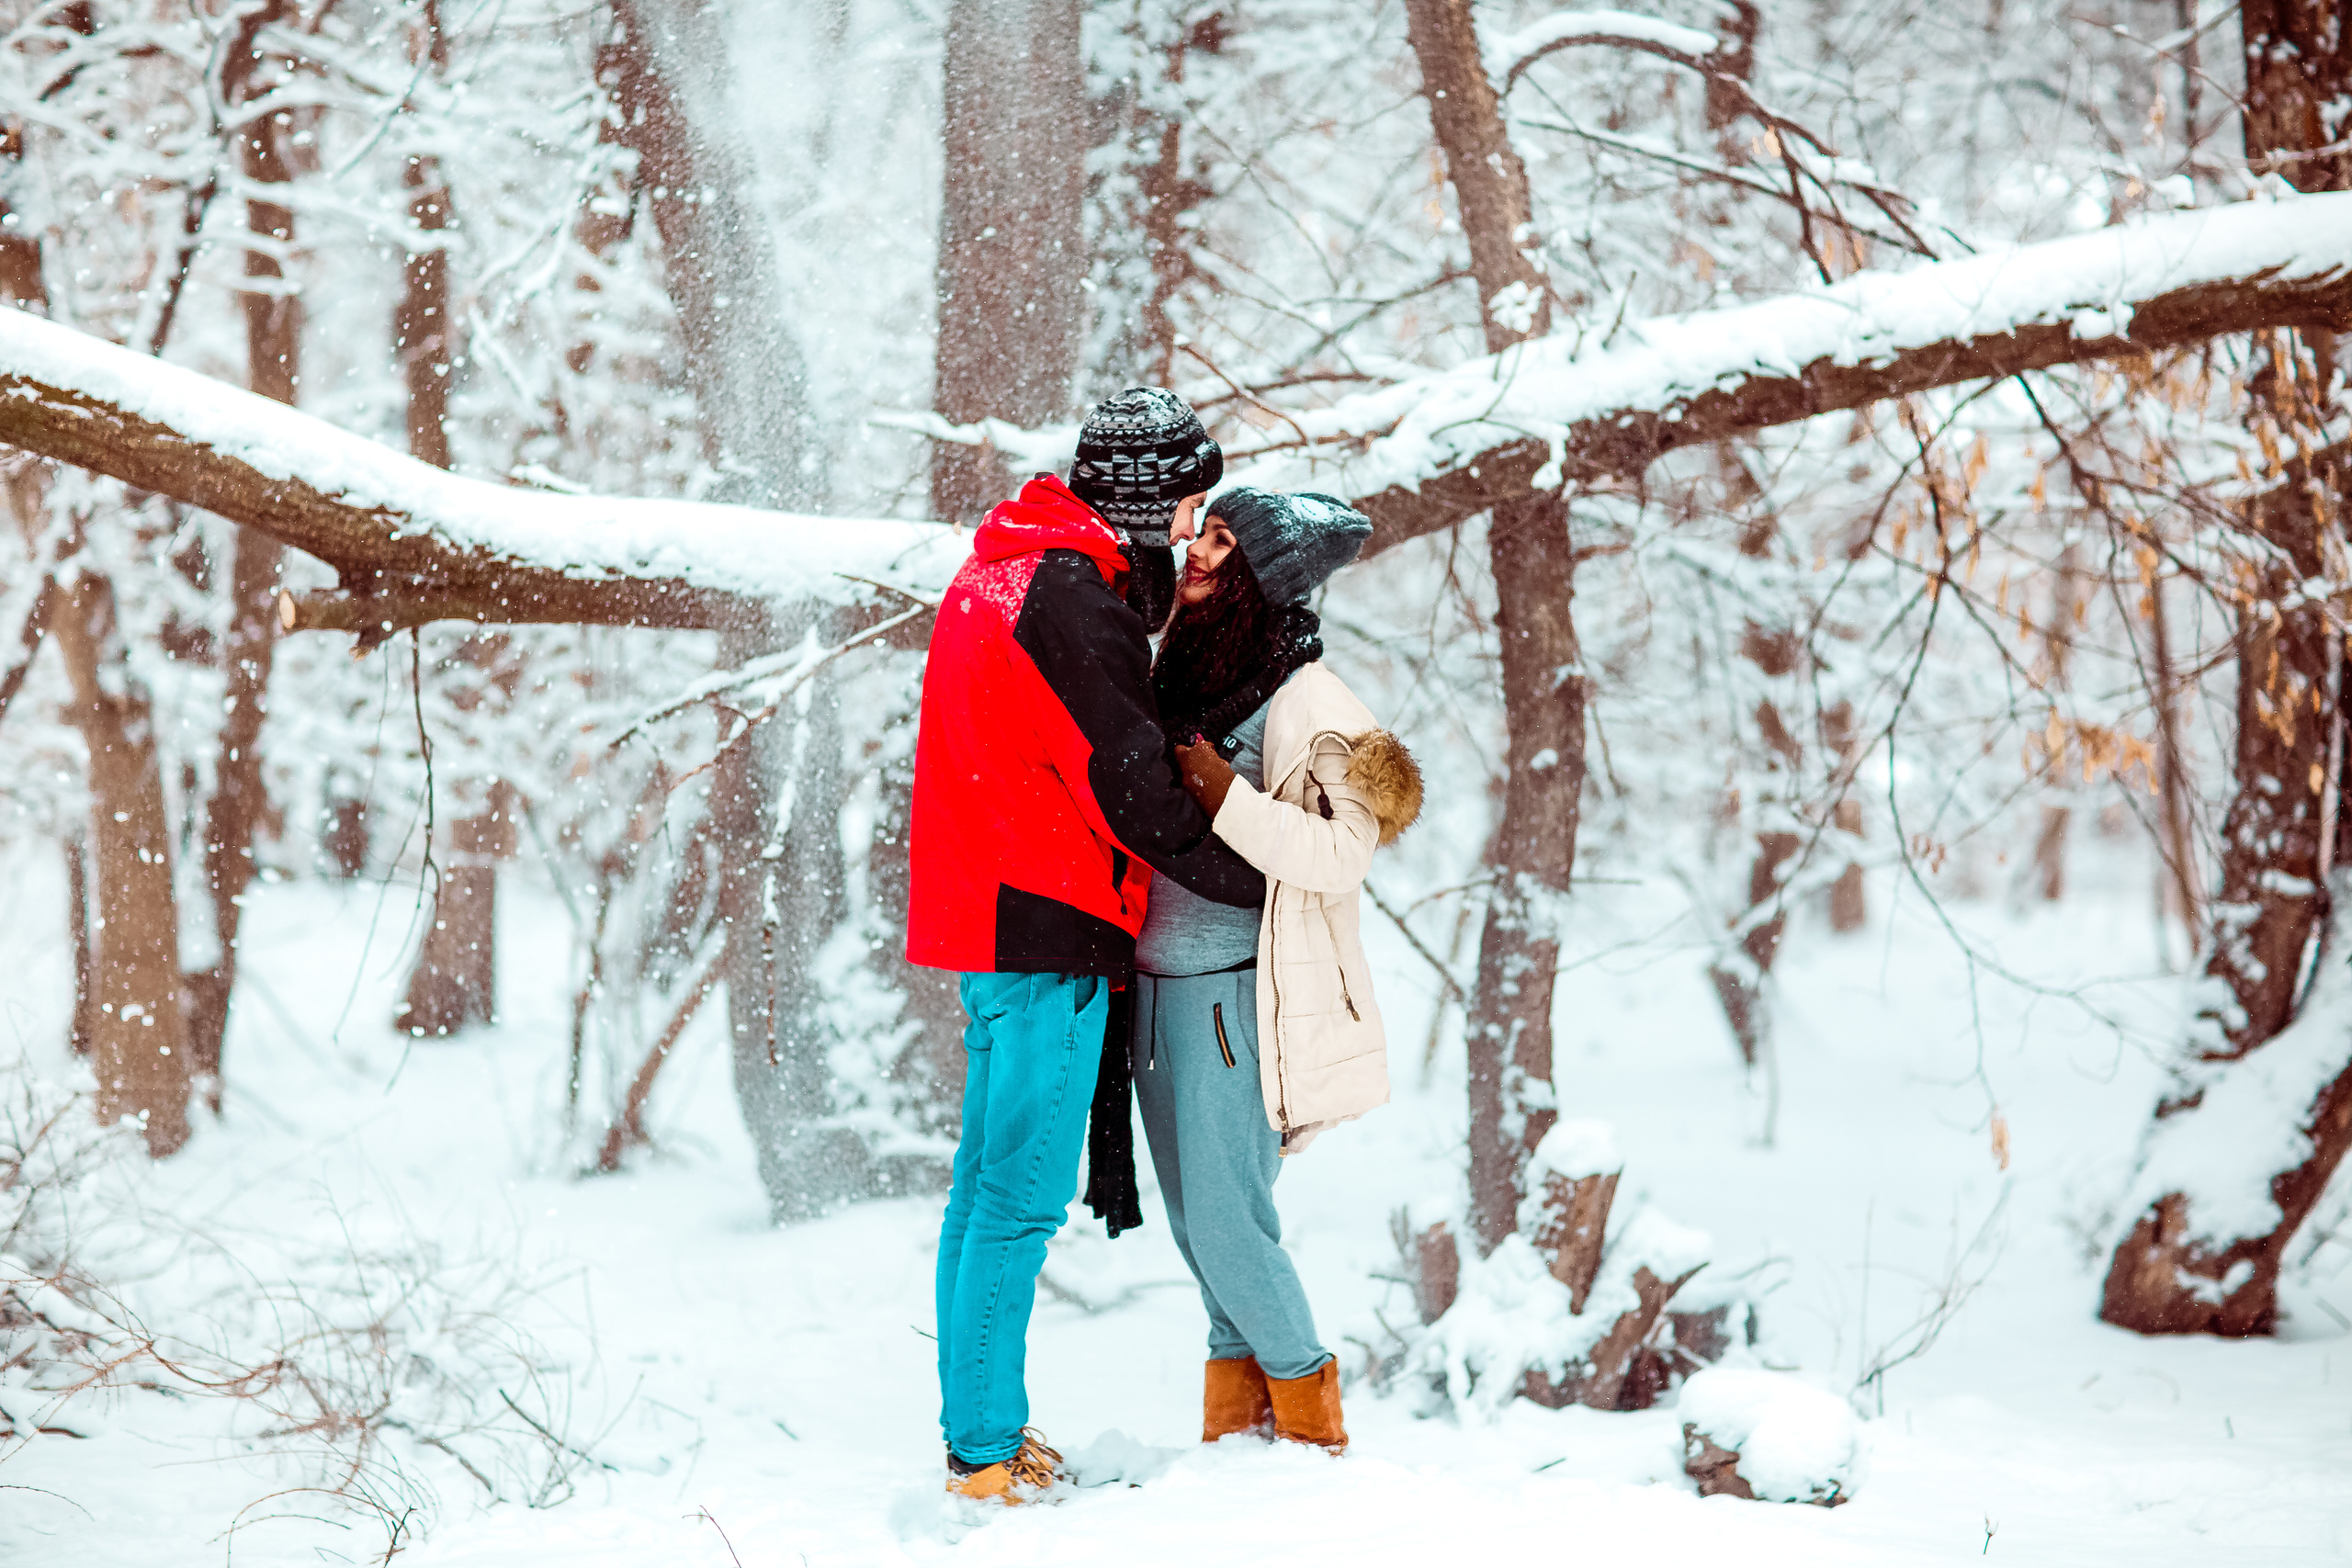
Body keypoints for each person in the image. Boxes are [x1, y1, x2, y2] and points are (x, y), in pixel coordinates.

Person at [906, 388, 1267, 1506]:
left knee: (982, 1190)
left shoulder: (1020, 566)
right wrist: (1256, 879)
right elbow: (1132, 783)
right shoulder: (1066, 596)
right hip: (1044, 924)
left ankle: (982, 1434)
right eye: (1184, 506)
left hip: (997, 915)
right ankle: (981, 1458)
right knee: (1015, 1198)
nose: (1186, 531)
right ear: (1143, 500)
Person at [1133, 487, 1422, 1456]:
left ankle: (1310, 1424)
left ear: (1268, 578)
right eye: (1203, 532)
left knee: (1228, 1224)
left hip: (1228, 995)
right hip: (1153, 992)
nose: (1200, 553)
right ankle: (1240, 1444)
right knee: (1190, 1226)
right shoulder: (1184, 671)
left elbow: (1343, 856)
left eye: (1224, 542)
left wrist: (1223, 795)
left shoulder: (1312, 703)